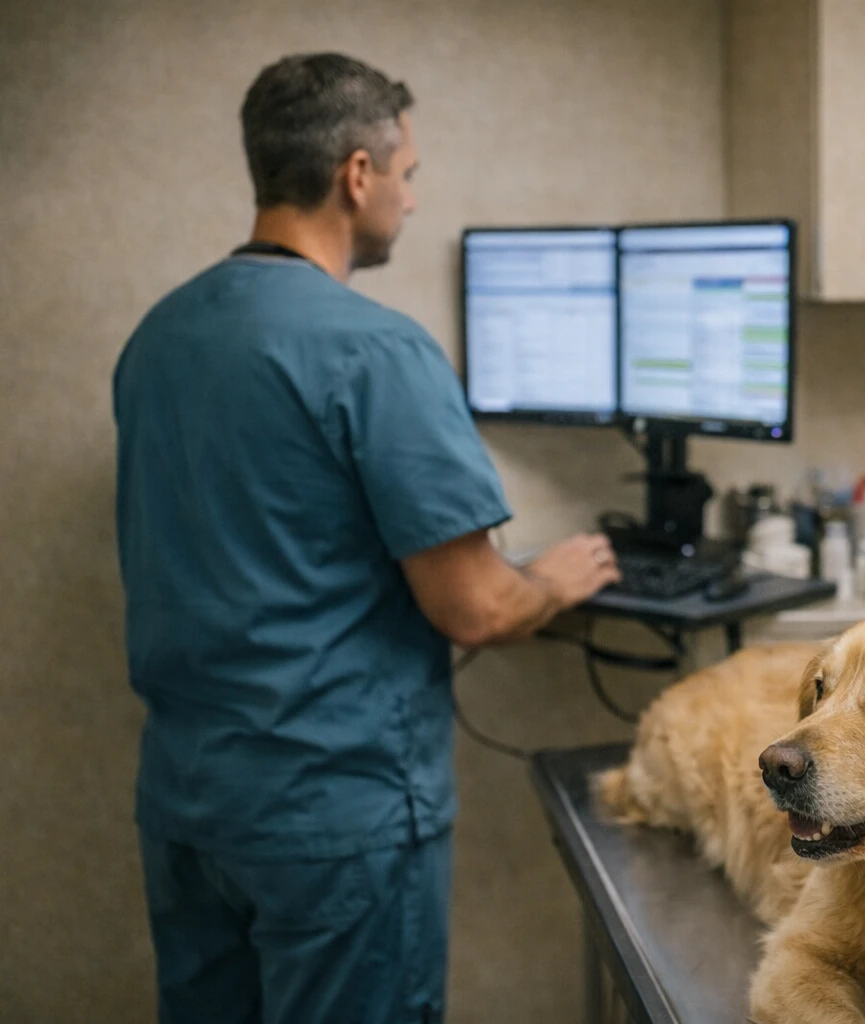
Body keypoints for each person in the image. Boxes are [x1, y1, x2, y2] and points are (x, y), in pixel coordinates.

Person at [113, 53, 619, 1023]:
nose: (411, 200)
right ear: (357, 175)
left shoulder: (159, 338)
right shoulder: (375, 350)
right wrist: (555, 577)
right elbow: (476, 605)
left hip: (188, 807)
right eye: (409, 174)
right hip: (332, 821)